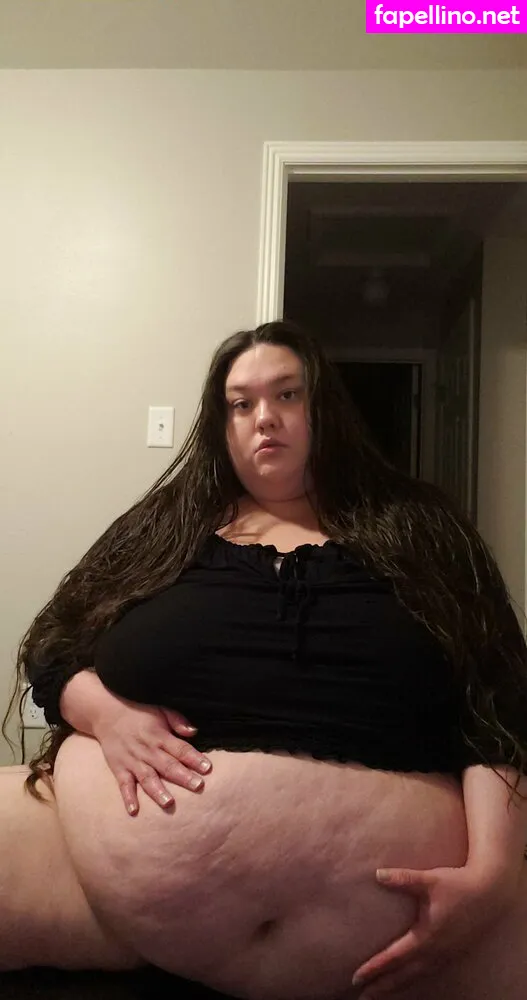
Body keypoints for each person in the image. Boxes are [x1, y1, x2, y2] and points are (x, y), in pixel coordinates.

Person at [2, 319, 527, 1000]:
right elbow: (52, 642)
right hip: (120, 903)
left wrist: (494, 873)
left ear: (324, 407)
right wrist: (104, 714)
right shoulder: (166, 526)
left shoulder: (421, 526)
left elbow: (497, 699)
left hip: (402, 940)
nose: (264, 418)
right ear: (220, 426)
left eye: (287, 394)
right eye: (240, 403)